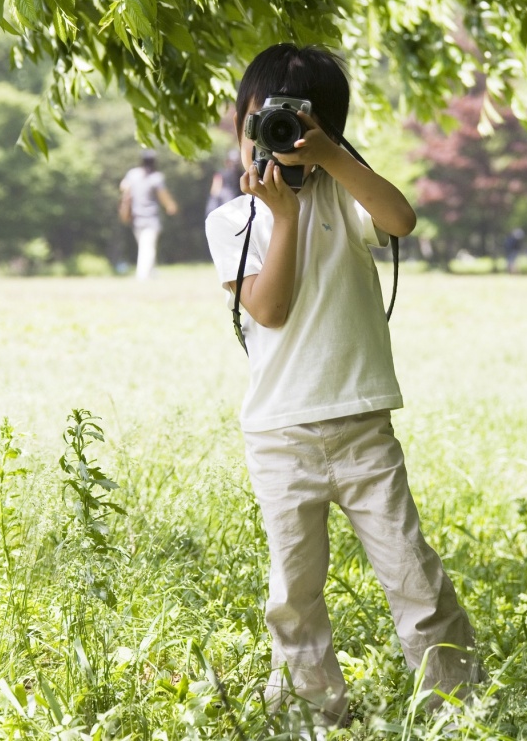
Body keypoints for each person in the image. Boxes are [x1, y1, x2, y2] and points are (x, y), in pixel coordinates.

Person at [205, 44, 481, 729]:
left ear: (324, 126)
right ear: (240, 123)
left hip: (361, 425)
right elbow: (268, 308)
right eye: (258, 121)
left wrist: (330, 159)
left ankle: (454, 705)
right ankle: (312, 710)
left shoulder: (345, 191)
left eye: (294, 123)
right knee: (293, 593)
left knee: (413, 574)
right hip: (279, 435)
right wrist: (287, 215)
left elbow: (400, 219)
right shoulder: (233, 220)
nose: (272, 138)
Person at [119, 150, 178, 280]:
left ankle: (151, 273)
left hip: (136, 218)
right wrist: (170, 206)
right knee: (148, 247)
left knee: (146, 246)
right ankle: (143, 276)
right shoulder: (156, 177)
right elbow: (163, 195)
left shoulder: (132, 174)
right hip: (151, 218)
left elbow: (123, 186)